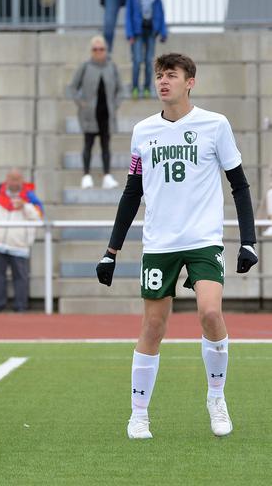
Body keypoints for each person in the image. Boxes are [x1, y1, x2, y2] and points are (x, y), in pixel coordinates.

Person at [95, 53, 257, 440]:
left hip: (203, 241)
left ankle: (216, 398)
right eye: (159, 75)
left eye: (172, 75)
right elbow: (132, 193)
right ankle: (138, 414)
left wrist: (249, 241)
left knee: (210, 313)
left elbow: (239, 185)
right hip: (159, 244)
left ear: (190, 82)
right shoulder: (143, 131)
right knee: (152, 326)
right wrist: (111, 250)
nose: (163, 81)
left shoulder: (215, 125)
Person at [0, 168, 44, 313]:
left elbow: (39, 216)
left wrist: (25, 206)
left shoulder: (29, 197)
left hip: (20, 246)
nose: (15, 182)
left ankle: (21, 307)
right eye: (12, 179)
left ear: (22, 180)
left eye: (18, 179)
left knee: (21, 278)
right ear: (7, 179)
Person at [67, 35, 123, 190]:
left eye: (101, 49)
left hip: (106, 114)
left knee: (106, 145)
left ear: (106, 50)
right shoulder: (85, 66)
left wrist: (115, 104)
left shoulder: (111, 67)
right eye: (95, 49)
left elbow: (120, 89)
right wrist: (81, 103)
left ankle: (107, 175)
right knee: (88, 144)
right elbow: (72, 87)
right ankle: (86, 175)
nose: (98, 52)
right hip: (89, 114)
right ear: (91, 51)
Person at [125, 0, 168, 99]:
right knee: (137, 60)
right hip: (137, 32)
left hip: (151, 32)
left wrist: (163, 31)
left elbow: (160, 12)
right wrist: (129, 33)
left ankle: (147, 87)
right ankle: (135, 87)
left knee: (149, 61)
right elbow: (129, 14)